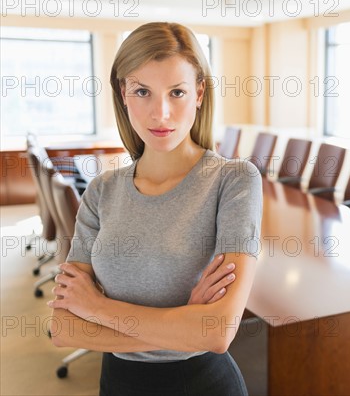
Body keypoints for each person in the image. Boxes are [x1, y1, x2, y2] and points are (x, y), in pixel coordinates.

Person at [47, 22, 262, 395]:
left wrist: (96, 307)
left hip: (204, 385)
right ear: (123, 93)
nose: (160, 114)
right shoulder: (101, 192)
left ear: (198, 93)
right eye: (142, 91)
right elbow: (65, 328)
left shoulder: (234, 180)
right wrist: (182, 325)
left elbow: (216, 332)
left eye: (176, 92)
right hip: (118, 384)